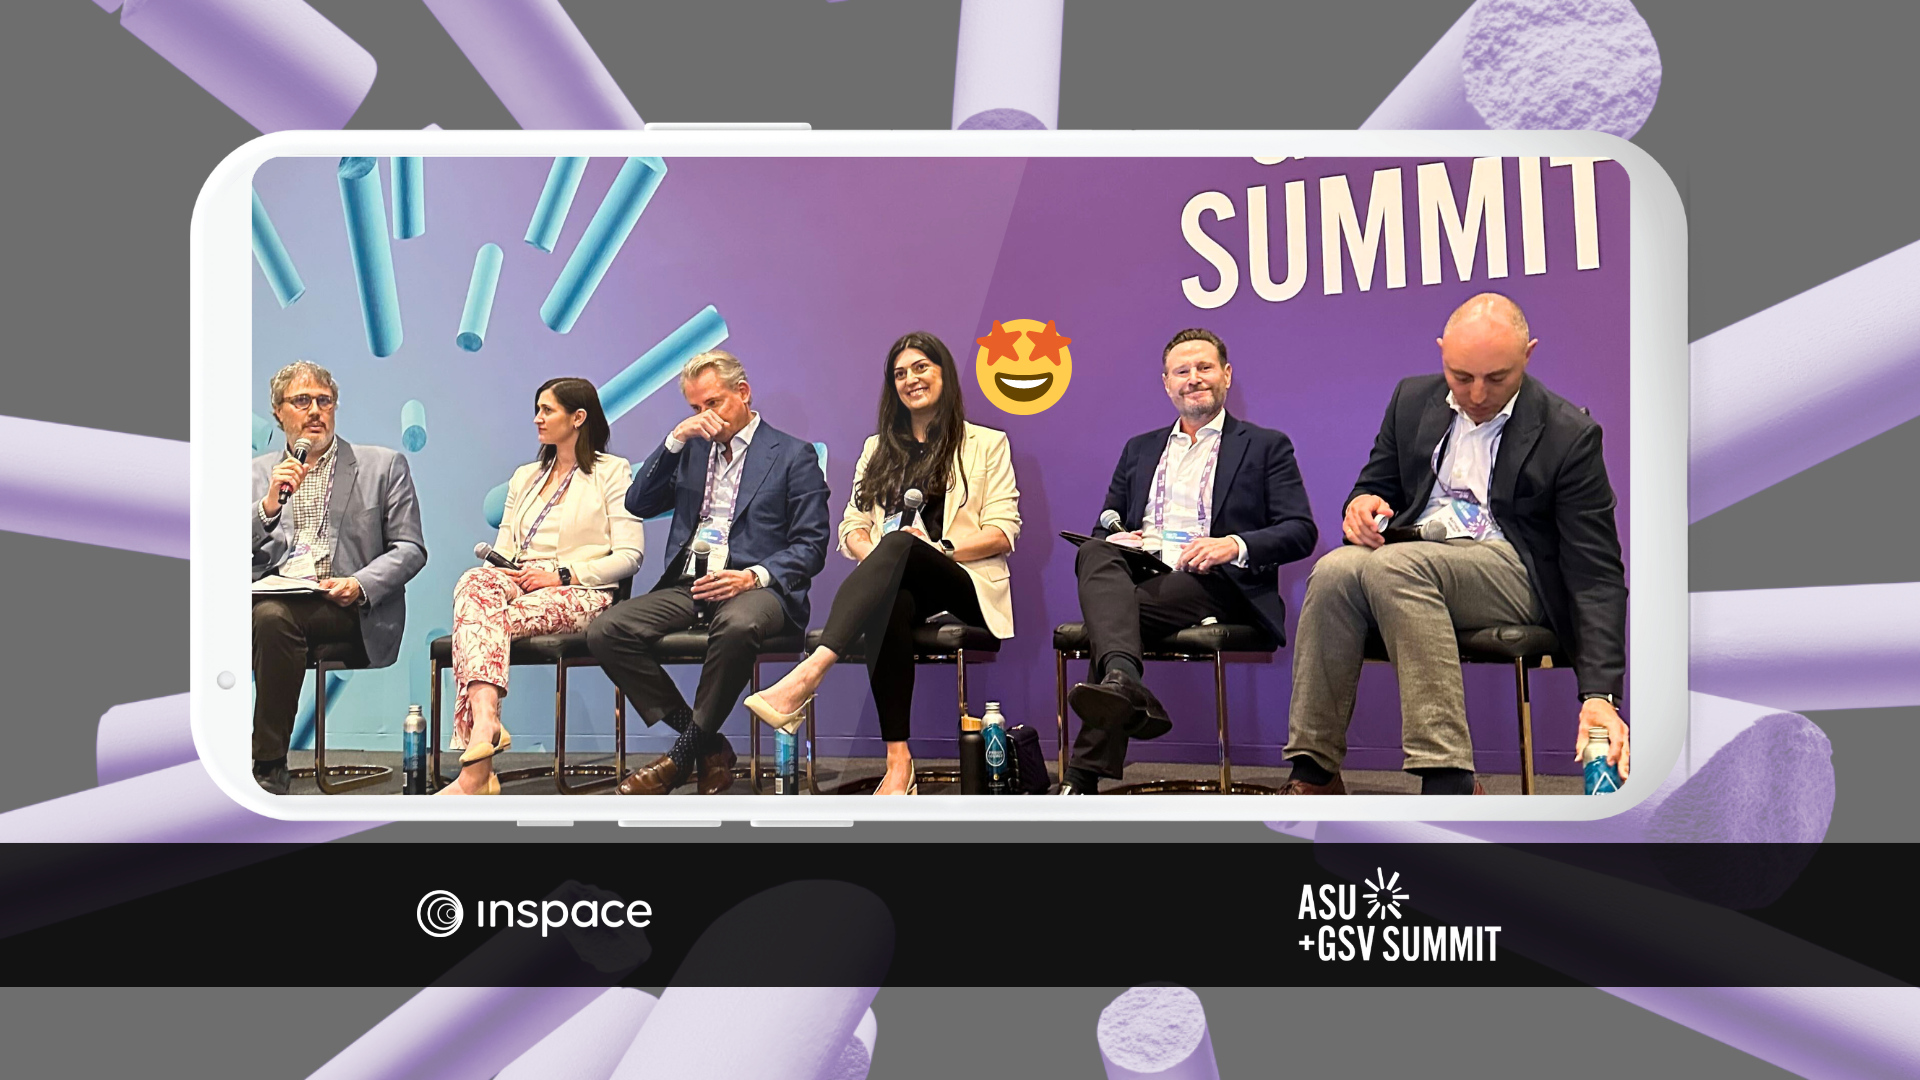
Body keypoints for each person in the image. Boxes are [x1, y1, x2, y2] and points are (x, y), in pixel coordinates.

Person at [1282, 292, 1629, 795]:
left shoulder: (1568, 434)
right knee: (1335, 570)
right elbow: (1374, 485)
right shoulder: (1411, 400)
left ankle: (1449, 778)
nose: (1479, 394)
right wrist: (1360, 507)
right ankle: (1314, 770)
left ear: (1528, 355)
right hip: (1418, 556)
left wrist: (1600, 693)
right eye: (1461, 377)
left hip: (1513, 570)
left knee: (1394, 567)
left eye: (1498, 378)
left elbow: (1596, 571)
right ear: (1442, 351)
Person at [745, 332, 1021, 795]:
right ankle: (898, 763)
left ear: (943, 374)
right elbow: (852, 525)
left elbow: (1002, 531)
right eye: (900, 374)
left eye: (921, 368)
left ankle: (811, 672)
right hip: (898, 584)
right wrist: (880, 554)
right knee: (890, 593)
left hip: (962, 581)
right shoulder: (878, 449)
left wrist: (938, 549)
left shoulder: (986, 444)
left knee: (901, 546)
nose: (911, 379)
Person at [1059, 328, 1318, 795]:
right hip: (1146, 574)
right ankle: (1122, 682)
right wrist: (1121, 537)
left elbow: (1300, 530)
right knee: (1095, 550)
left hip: (1217, 581)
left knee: (1111, 617)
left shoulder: (1264, 445)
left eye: (1204, 368)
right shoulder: (1139, 449)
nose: (1194, 379)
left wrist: (1232, 544)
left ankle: (1081, 776)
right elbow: (1105, 525)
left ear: (1226, 375)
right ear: (1166, 383)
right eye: (1182, 371)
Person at [586, 351, 831, 795]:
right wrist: (677, 437)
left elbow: (811, 547)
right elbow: (637, 502)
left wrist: (753, 576)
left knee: (738, 624)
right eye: (696, 409)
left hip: (757, 586)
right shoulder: (692, 449)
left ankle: (679, 758)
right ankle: (706, 746)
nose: (706, 418)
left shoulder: (794, 456)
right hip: (691, 581)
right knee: (607, 630)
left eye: (713, 404)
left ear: (743, 392)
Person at [437, 378, 643, 795]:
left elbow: (629, 556)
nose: (537, 419)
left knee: (477, 627)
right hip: (521, 581)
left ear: (578, 417)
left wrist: (562, 574)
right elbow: (505, 547)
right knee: (473, 581)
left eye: (547, 410)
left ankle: (477, 770)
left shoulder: (612, 472)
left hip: (582, 589)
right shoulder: (525, 476)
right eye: (537, 409)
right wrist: (506, 570)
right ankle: (486, 721)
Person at [251, 361, 426, 795]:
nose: (314, 410)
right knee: (270, 616)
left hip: (346, 607)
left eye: (323, 401)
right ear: (278, 412)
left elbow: (410, 549)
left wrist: (361, 584)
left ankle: (268, 763)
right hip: (271, 600)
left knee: (272, 620)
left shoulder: (382, 466)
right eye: (302, 401)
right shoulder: (255, 475)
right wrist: (268, 507)